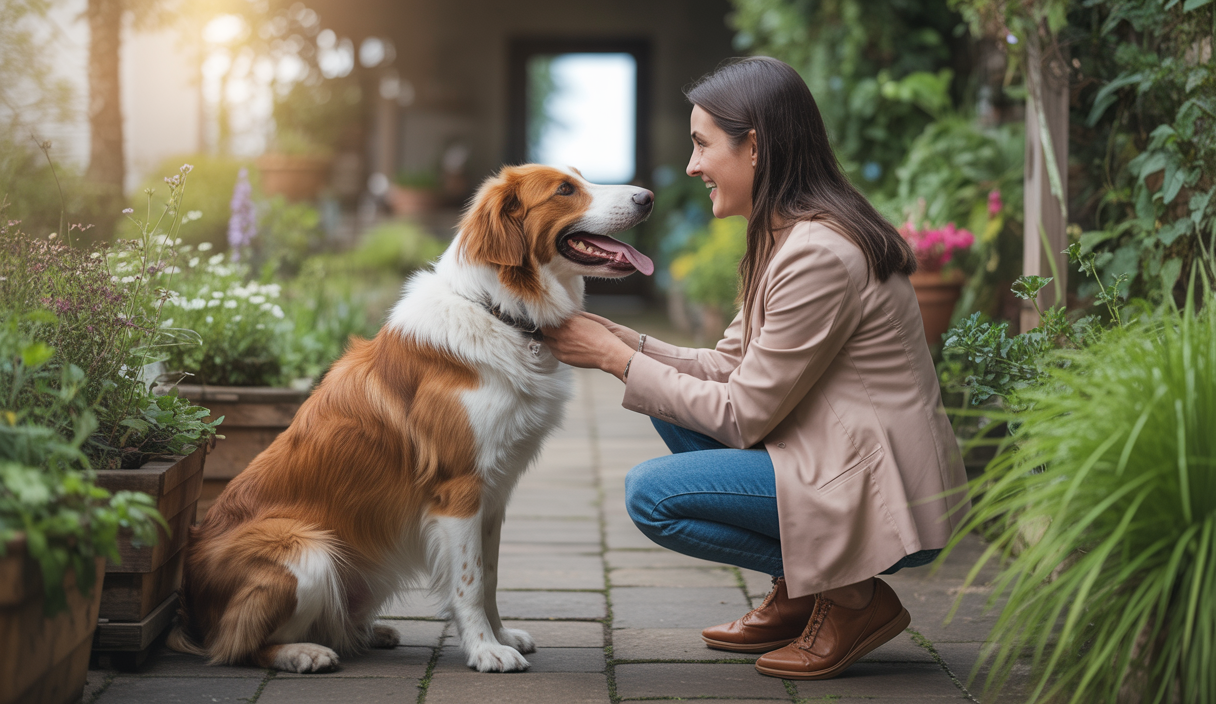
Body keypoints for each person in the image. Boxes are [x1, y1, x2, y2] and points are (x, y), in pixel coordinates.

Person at [541, 56, 969, 681]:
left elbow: (743, 415)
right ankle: (799, 593)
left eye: (702, 144)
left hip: (877, 487)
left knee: (653, 495)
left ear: (756, 147)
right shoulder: (785, 235)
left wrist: (616, 359)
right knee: (670, 404)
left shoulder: (820, 254)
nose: (691, 166)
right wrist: (623, 340)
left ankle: (853, 598)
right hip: (825, 454)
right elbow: (728, 366)